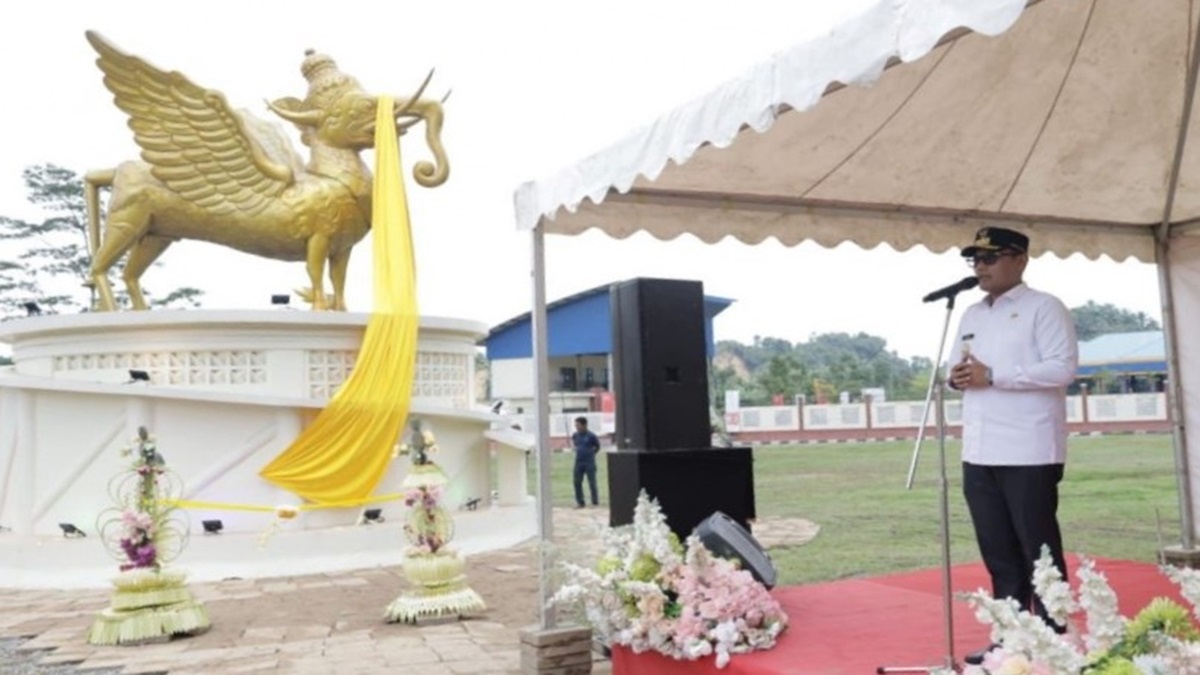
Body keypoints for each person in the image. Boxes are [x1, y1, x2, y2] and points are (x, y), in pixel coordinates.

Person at [947, 226, 1079, 665]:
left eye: (990, 258)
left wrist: (995, 376)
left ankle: (1055, 638)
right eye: (975, 260)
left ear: (1020, 259)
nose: (980, 267)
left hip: (1028, 449)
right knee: (998, 551)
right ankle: (1011, 638)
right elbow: (957, 367)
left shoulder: (1044, 307)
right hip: (978, 449)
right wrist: (956, 377)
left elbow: (1062, 368)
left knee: (1038, 549)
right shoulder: (970, 313)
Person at [571, 416, 601, 508]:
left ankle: (594, 502)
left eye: (578, 425)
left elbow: (597, 446)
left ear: (584, 425)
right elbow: (575, 444)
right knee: (577, 482)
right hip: (578, 462)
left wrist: (591, 453)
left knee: (592, 482)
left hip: (589, 462)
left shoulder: (591, 436)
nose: (577, 427)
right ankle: (580, 502)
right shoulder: (575, 435)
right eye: (576, 425)